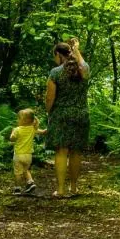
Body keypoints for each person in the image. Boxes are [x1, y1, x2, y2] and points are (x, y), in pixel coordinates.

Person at [44, 37, 90, 198]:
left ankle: (61, 189)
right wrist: (76, 48)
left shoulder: (55, 73)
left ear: (58, 54)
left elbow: (50, 98)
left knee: (61, 151)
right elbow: (83, 64)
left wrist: (49, 112)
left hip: (61, 115)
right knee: (76, 152)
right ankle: (74, 188)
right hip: (81, 114)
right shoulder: (83, 70)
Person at [8, 108, 45, 195]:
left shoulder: (17, 129)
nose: (17, 120)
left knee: (18, 172)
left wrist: (12, 132)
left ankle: (17, 188)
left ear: (23, 120)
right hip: (28, 156)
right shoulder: (32, 129)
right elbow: (42, 132)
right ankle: (30, 182)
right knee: (26, 169)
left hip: (18, 155)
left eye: (19, 118)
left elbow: (12, 139)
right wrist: (46, 130)